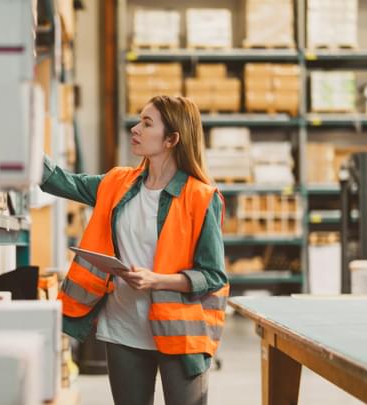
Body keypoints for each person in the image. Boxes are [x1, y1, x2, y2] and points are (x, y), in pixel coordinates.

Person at [40, 95, 229, 405]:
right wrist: (23, 142)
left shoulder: (201, 197)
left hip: (180, 332)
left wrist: (158, 280)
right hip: (123, 327)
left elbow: (213, 275)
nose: (135, 129)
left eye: (146, 123)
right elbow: (60, 181)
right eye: (139, 121)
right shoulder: (117, 183)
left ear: (171, 139)